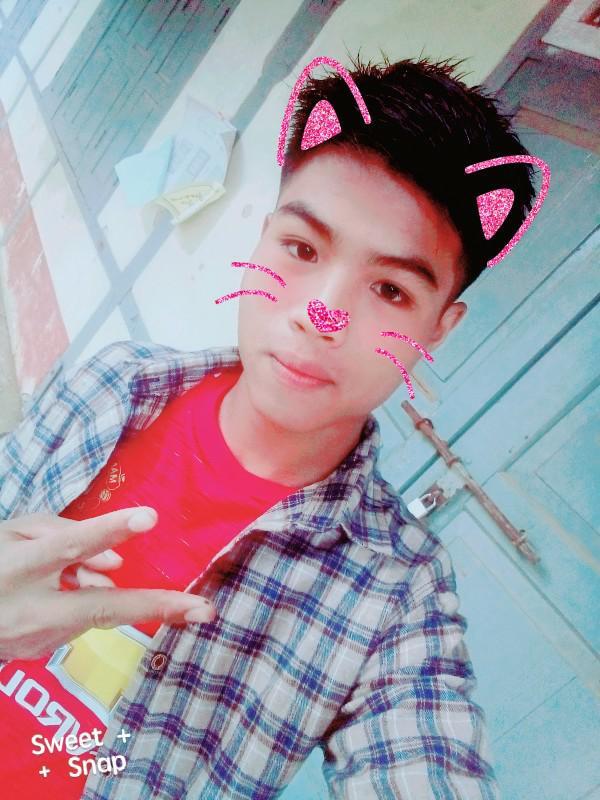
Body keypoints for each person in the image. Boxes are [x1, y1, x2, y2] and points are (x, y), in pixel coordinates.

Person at [0, 55, 537, 799]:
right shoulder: (111, 384)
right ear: (262, 239)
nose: (322, 314)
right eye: (303, 249)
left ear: (440, 328)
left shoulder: (397, 596)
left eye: (389, 289)